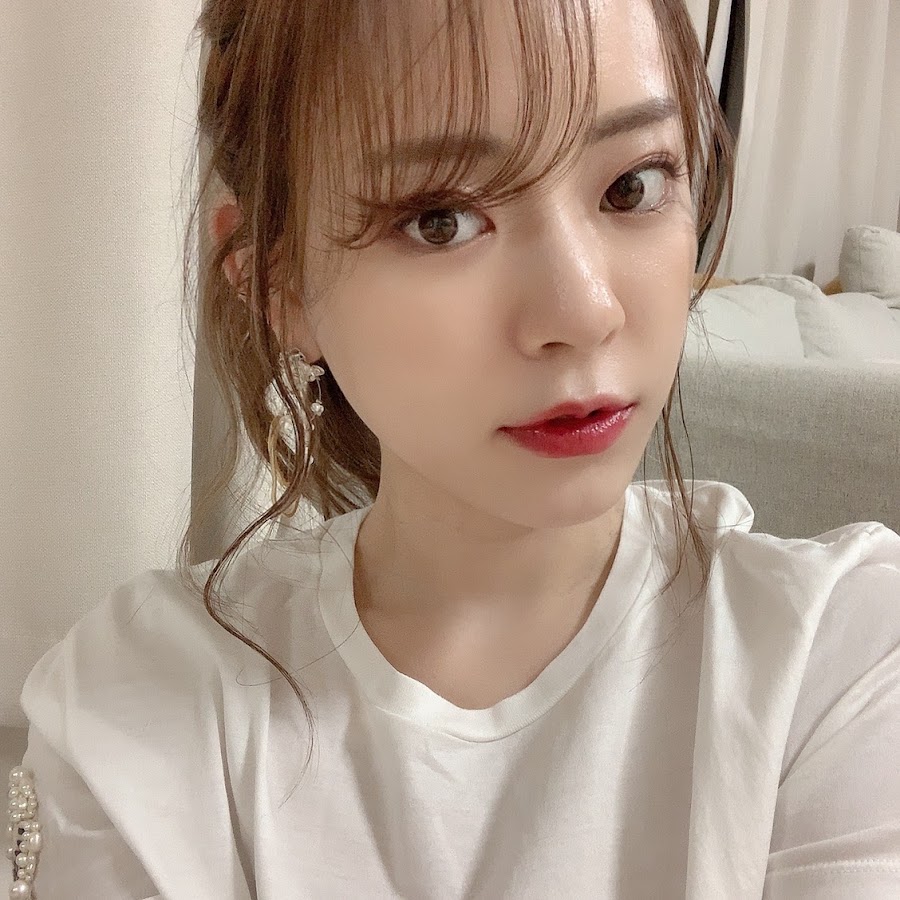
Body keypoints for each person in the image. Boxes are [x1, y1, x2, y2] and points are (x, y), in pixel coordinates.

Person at [7, 0, 900, 897]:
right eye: (440, 219)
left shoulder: (836, 656)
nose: (584, 311)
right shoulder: (142, 697)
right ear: (280, 287)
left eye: (631, 186)